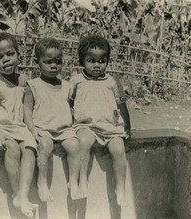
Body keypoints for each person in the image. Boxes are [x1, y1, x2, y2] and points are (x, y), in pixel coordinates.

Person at [0, 32, 38, 218]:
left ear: (18, 53)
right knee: (12, 148)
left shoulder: (23, 79)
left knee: (30, 148)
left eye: (10, 54)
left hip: (19, 126)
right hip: (0, 127)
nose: (6, 60)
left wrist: (33, 129)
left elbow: (27, 109)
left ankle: (23, 194)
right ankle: (16, 193)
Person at [71, 34, 131, 206]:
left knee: (119, 150)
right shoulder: (76, 80)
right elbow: (68, 102)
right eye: (91, 60)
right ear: (82, 60)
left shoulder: (112, 81)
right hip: (86, 125)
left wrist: (127, 126)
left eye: (101, 60)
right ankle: (82, 180)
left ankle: (120, 186)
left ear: (107, 61)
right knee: (83, 143)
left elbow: (122, 105)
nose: (97, 65)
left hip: (109, 126)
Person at [24, 38, 81, 202]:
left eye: (58, 61)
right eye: (48, 62)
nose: (53, 66)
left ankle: (73, 182)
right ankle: (42, 182)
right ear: (37, 62)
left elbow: (73, 107)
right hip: (43, 128)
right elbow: (26, 109)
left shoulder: (68, 86)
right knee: (45, 145)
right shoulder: (33, 85)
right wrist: (32, 129)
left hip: (64, 129)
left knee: (75, 146)